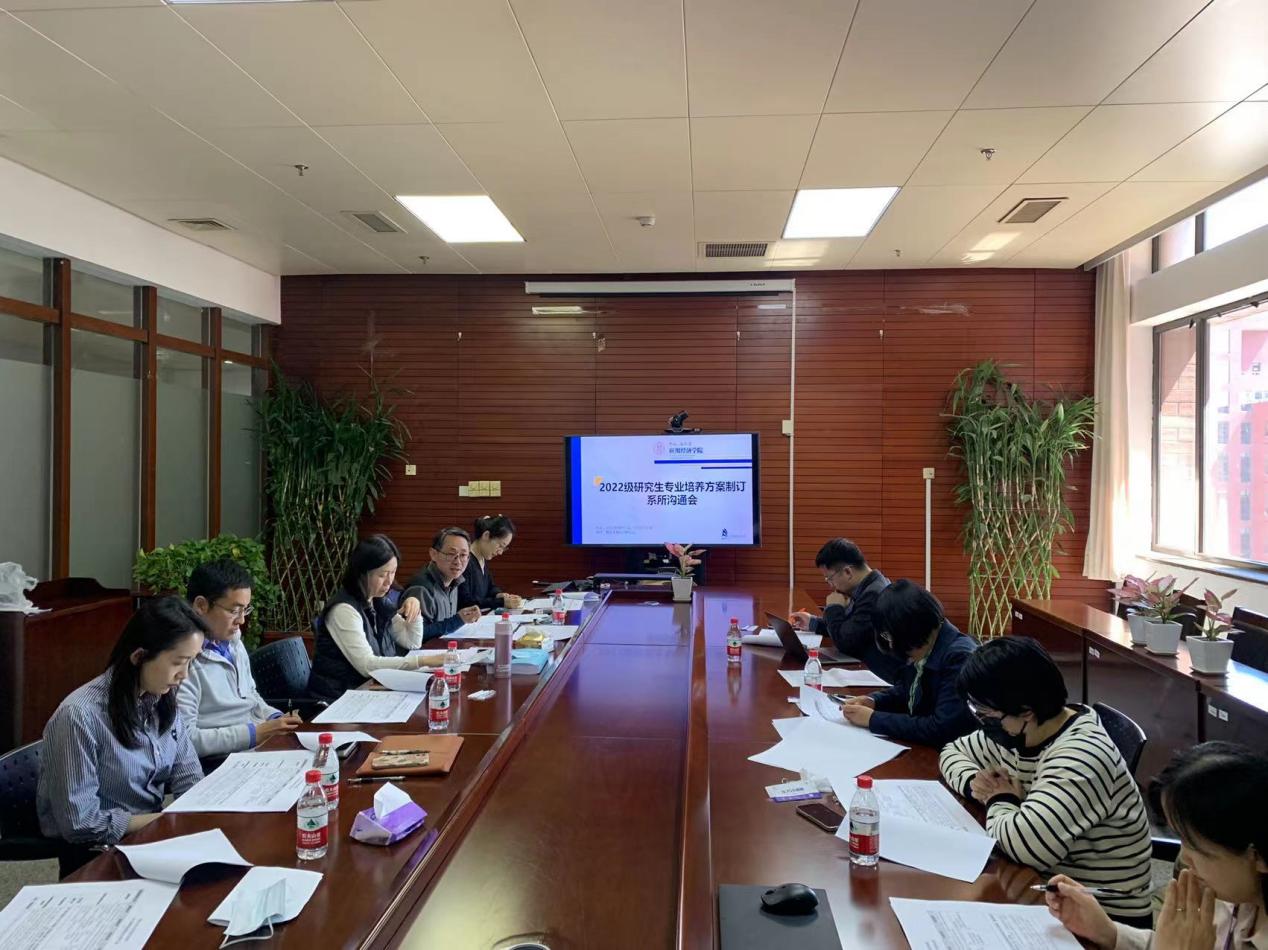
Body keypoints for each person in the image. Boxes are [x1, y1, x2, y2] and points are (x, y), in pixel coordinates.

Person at [940, 636, 1153, 926]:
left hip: (1102, 916)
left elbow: (1026, 847)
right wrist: (976, 784)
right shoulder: (1020, 731)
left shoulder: (1081, 756)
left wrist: (1000, 799)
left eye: (987, 715)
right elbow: (953, 752)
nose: (984, 723)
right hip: (1045, 889)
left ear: (1026, 711)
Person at [37, 596, 208, 876]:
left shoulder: (161, 698)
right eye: (179, 662)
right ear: (138, 656)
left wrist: (200, 814)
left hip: (150, 839)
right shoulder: (79, 716)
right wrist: (167, 821)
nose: (184, 675)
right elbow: (80, 823)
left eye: (191, 662)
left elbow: (188, 776)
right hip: (97, 854)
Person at [1047, 742, 1268, 950]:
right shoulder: (1232, 896)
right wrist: (1109, 932)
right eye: (1180, 838)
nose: (1184, 857)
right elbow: (1170, 944)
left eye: (1194, 845)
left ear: (1258, 856)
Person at [177, 559, 301, 761]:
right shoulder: (182, 659)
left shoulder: (233, 643)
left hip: (254, 749)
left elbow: (250, 695)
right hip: (222, 760)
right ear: (201, 605)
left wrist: (275, 718)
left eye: (246, 610)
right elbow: (185, 739)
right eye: (234, 611)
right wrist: (254, 734)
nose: (242, 620)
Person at [836, 580, 978, 747]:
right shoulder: (926, 644)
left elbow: (942, 729)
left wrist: (873, 719)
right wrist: (874, 701)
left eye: (891, 638)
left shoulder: (959, 659)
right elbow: (908, 691)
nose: (892, 646)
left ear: (911, 630)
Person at [306, 534, 440, 703]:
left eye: (393, 573)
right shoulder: (343, 610)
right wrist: (424, 661)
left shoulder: (378, 601)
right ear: (362, 573)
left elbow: (411, 641)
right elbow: (367, 665)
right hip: (337, 700)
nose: (389, 582)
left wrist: (416, 608)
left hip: (369, 691)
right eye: (383, 575)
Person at [788, 538, 904, 683]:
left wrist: (833, 608)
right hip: (866, 668)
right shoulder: (865, 587)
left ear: (848, 572)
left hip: (880, 678)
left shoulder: (874, 594)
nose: (831, 585)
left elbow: (845, 642)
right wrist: (813, 623)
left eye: (829, 578)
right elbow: (849, 627)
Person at [402, 527, 482, 639]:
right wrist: (458, 620)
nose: (458, 561)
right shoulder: (421, 588)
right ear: (433, 554)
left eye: (463, 555)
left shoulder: (453, 580)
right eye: (451, 554)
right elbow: (416, 635)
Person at [458, 514, 523, 611]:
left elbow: (490, 587)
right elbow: (465, 602)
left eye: (504, 548)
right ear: (486, 535)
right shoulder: (464, 562)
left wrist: (498, 594)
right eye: (500, 545)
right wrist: (501, 602)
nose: (500, 552)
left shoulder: (482, 558)